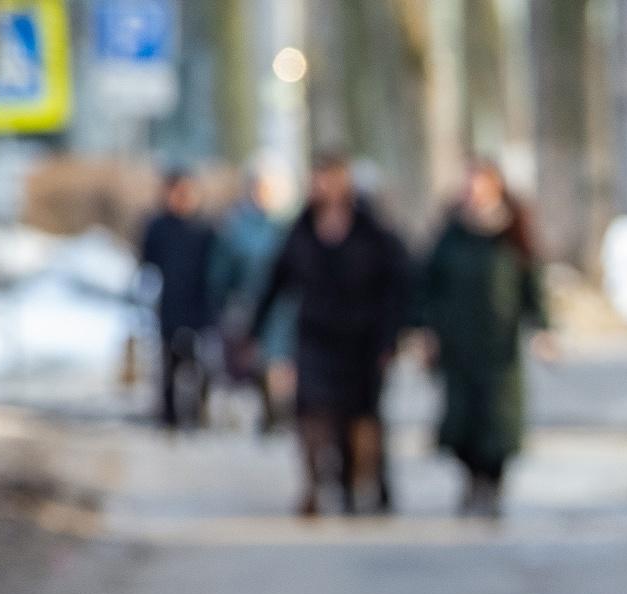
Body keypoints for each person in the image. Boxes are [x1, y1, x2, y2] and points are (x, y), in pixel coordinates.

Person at [253, 153, 411, 516]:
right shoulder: (302, 230)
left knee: (359, 421)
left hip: (362, 341)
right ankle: (312, 486)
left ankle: (361, 485)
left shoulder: (373, 234)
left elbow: (398, 286)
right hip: (315, 338)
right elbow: (277, 281)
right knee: (310, 416)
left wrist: (392, 337)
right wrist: (255, 329)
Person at [417, 160, 550, 518]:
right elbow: (428, 284)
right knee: (462, 420)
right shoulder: (451, 233)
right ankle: (471, 479)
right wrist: (424, 330)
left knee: (499, 420)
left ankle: (493, 482)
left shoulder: (512, 232)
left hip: (500, 346)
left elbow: (531, 285)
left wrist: (542, 328)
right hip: (458, 343)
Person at [212, 162, 299, 435]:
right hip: (249, 301)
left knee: (280, 359)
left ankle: (280, 411)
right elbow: (223, 269)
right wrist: (226, 299)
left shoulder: (284, 227)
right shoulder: (237, 228)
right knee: (255, 358)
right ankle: (266, 410)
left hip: (282, 306)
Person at [137, 169, 220, 431]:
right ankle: (170, 415)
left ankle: (198, 411)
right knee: (170, 362)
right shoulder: (158, 227)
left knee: (201, 363)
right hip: (171, 305)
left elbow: (217, 269)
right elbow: (147, 263)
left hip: (200, 305)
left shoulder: (205, 229)